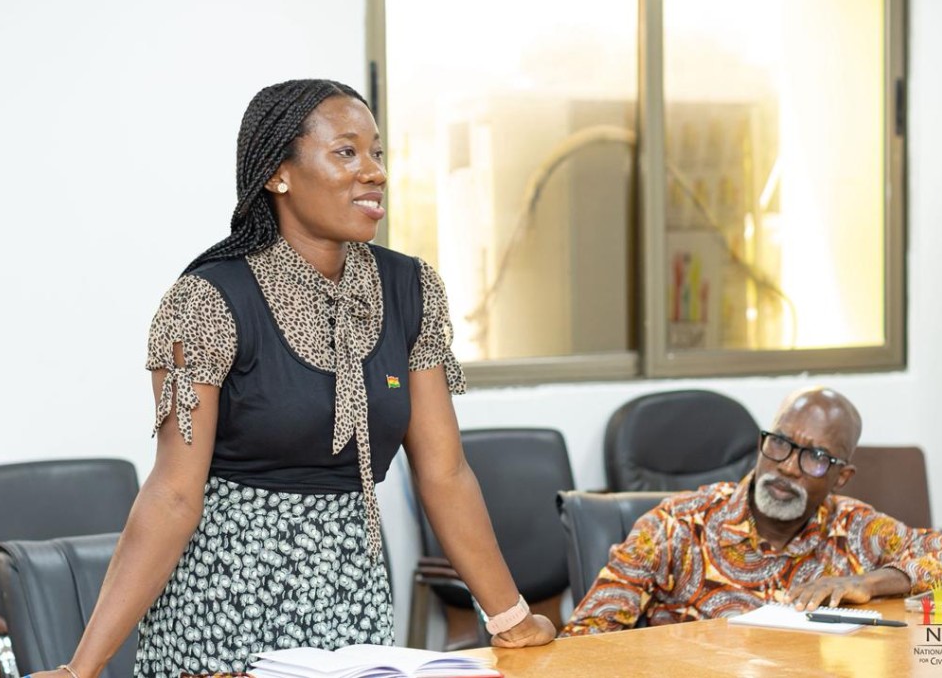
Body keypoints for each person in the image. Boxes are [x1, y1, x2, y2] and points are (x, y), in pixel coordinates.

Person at [28, 79, 554, 678]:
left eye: (377, 152)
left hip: (352, 600)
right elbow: (172, 494)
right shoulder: (207, 301)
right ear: (278, 174)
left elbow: (445, 472)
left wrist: (510, 617)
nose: (375, 172)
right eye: (346, 152)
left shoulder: (410, 289)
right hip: (224, 605)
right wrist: (81, 669)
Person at [562, 386, 942, 635]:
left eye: (816, 458)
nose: (788, 466)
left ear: (841, 477)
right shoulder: (674, 526)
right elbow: (585, 637)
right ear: (762, 443)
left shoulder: (855, 528)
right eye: (780, 443)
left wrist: (868, 582)